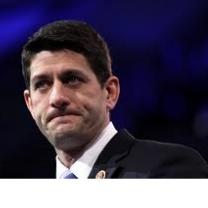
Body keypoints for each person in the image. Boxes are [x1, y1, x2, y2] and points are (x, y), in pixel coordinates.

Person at [21, 20, 208, 178]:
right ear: (30, 103)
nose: (57, 98)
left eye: (72, 79)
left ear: (110, 92)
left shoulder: (169, 168)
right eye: (42, 84)